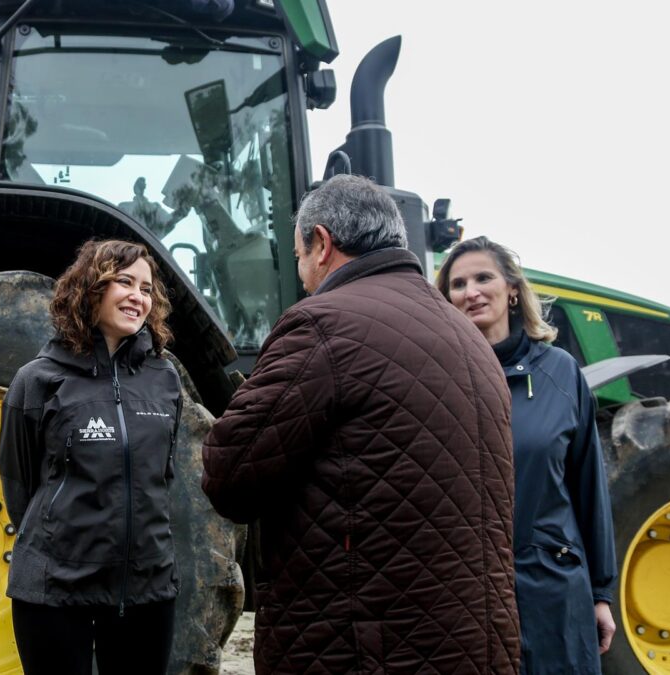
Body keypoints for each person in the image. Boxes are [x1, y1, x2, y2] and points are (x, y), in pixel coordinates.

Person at [201, 174, 521, 674]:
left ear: (323, 244)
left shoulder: (322, 324)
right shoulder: (470, 337)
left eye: (300, 256)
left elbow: (229, 475)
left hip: (362, 646)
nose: (303, 275)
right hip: (472, 645)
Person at [0, 239, 182, 675]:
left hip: (146, 590)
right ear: (89, 288)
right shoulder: (37, 380)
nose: (138, 296)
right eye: (124, 282)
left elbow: (162, 475)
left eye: (146, 288)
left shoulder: (165, 379)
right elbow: (20, 482)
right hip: (55, 592)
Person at [437, 236, 618, 673]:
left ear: (512, 289)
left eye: (483, 277)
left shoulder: (560, 371)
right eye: (458, 284)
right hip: (468, 593)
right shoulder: (437, 379)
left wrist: (601, 594)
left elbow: (588, 485)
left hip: (553, 589)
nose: (471, 291)